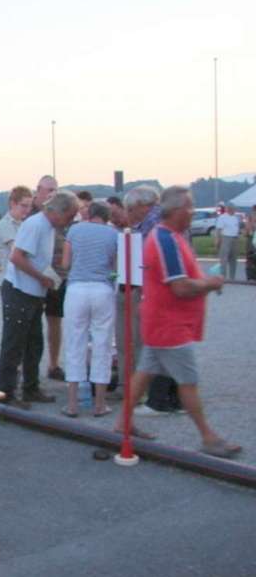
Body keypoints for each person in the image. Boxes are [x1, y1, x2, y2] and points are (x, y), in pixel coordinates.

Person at [114, 186, 241, 459]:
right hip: (168, 324)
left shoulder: (168, 236)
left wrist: (205, 283)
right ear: (177, 210)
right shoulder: (165, 240)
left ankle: (122, 423)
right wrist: (210, 282)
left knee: (145, 371)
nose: (193, 212)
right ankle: (208, 437)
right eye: (190, 207)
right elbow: (180, 287)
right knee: (188, 379)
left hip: (162, 321)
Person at [0, 191, 79, 409]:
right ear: (56, 211)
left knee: (34, 342)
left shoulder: (48, 227)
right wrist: (42, 277)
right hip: (19, 289)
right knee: (14, 343)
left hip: (33, 291)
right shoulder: (36, 224)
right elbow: (16, 256)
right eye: (69, 216)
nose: (69, 221)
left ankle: (31, 387)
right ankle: (6, 392)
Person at [123, 185, 183, 417]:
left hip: (160, 288)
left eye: (131, 208)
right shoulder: (170, 218)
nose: (131, 213)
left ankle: (158, 401)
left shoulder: (152, 224)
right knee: (173, 342)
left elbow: (145, 259)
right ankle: (175, 399)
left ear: (142, 205)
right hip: (175, 287)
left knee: (158, 341)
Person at [61, 201, 118, 417]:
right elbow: (115, 266)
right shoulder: (113, 234)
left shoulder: (74, 230)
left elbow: (66, 264)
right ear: (107, 216)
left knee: (75, 344)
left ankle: (73, 404)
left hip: (76, 289)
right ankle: (100, 404)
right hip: (102, 289)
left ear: (89, 214)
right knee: (102, 345)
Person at [30, 175, 67, 381]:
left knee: (55, 320)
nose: (52, 193)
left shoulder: (59, 213)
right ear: (39, 190)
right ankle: (23, 367)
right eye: (48, 189)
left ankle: (53, 364)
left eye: (55, 189)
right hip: (34, 275)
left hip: (56, 275)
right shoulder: (30, 213)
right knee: (29, 323)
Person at [0, 185, 33, 275]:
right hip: (12, 280)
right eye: (24, 206)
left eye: (30, 206)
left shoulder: (23, 224)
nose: (28, 210)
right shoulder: (5, 224)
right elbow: (19, 253)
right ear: (12, 203)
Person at [215, 204, 240, 280]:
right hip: (225, 238)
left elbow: (236, 228)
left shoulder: (235, 217)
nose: (234, 210)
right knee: (224, 259)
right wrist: (218, 240)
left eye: (235, 209)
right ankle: (223, 277)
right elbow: (218, 230)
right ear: (229, 209)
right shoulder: (222, 217)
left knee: (234, 259)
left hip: (234, 238)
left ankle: (232, 277)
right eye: (233, 209)